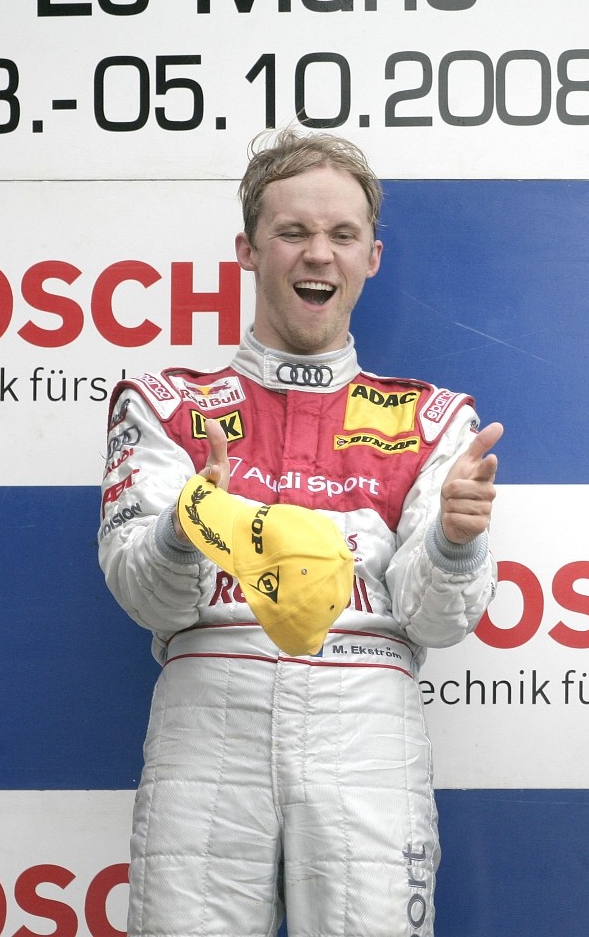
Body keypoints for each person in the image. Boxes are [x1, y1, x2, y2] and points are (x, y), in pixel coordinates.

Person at [98, 129, 502, 937]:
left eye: (342, 234)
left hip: (367, 716)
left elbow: (434, 621)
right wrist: (185, 528)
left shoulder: (434, 418)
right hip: (209, 712)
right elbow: (145, 597)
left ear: (371, 258)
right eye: (294, 231)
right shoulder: (165, 403)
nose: (319, 253)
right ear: (249, 250)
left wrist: (454, 546)